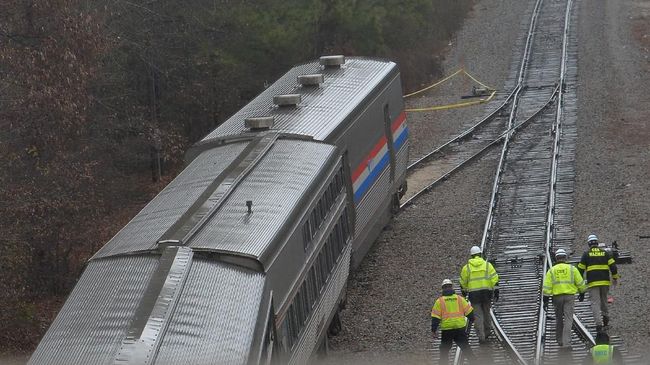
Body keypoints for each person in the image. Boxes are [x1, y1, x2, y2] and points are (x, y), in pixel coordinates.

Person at [543, 248, 587, 348]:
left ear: (556, 258)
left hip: (557, 297)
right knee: (568, 318)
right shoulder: (572, 269)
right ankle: (566, 342)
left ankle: (559, 340)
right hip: (569, 297)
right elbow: (580, 282)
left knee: (558, 318)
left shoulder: (552, 270)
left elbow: (547, 287)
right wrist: (582, 292)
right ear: (565, 258)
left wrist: (545, 299)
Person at [577, 234, 620, 332]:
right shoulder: (605, 253)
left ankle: (598, 324)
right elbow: (613, 266)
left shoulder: (586, 254)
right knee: (604, 300)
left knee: (595, 303)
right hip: (604, 282)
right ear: (597, 243)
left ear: (589, 244)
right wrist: (615, 278)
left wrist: (580, 286)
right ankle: (605, 319)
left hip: (593, 283)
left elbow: (580, 270)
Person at [459, 245, 499, 343]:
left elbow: (463, 282)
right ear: (480, 254)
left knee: (478, 316)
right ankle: (487, 332)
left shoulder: (466, 268)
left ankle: (481, 337)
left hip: (474, 295)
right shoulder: (487, 265)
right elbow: (495, 278)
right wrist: (496, 290)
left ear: (471, 256)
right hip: (486, 293)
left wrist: (464, 291)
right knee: (486, 313)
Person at [431, 279, 476, 365]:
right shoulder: (459, 299)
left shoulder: (439, 301)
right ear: (452, 287)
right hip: (459, 328)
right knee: (466, 349)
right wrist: (472, 319)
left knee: (444, 351)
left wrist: (433, 330)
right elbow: (469, 312)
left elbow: (435, 317)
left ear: (442, 289)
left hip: (447, 330)